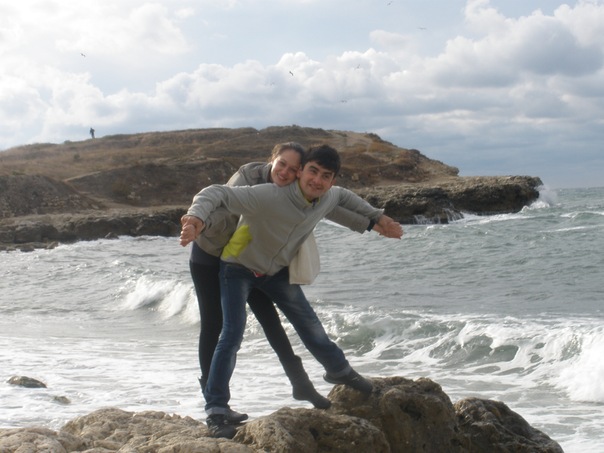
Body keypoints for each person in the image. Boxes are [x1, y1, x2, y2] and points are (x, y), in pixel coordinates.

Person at [181, 144, 403, 438]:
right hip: (225, 260)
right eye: (311, 171)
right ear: (284, 165)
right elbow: (216, 195)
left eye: (324, 175)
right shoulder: (262, 190)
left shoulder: (318, 194)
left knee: (303, 321)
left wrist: (376, 221)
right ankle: (216, 408)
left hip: (270, 269)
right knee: (226, 331)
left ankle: (330, 373)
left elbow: (338, 201)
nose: (315, 179)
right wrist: (197, 219)